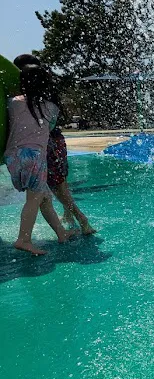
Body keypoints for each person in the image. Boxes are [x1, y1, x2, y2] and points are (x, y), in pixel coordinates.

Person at [14, 55, 95, 236]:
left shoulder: (24, 98)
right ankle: (68, 216)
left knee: (55, 188)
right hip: (56, 141)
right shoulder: (47, 91)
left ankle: (81, 219)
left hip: (45, 145)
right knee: (60, 185)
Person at [4, 64, 76, 255]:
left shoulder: (13, 103)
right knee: (34, 199)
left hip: (12, 157)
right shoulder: (50, 107)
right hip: (34, 156)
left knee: (44, 197)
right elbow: (50, 128)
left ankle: (61, 234)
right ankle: (23, 239)